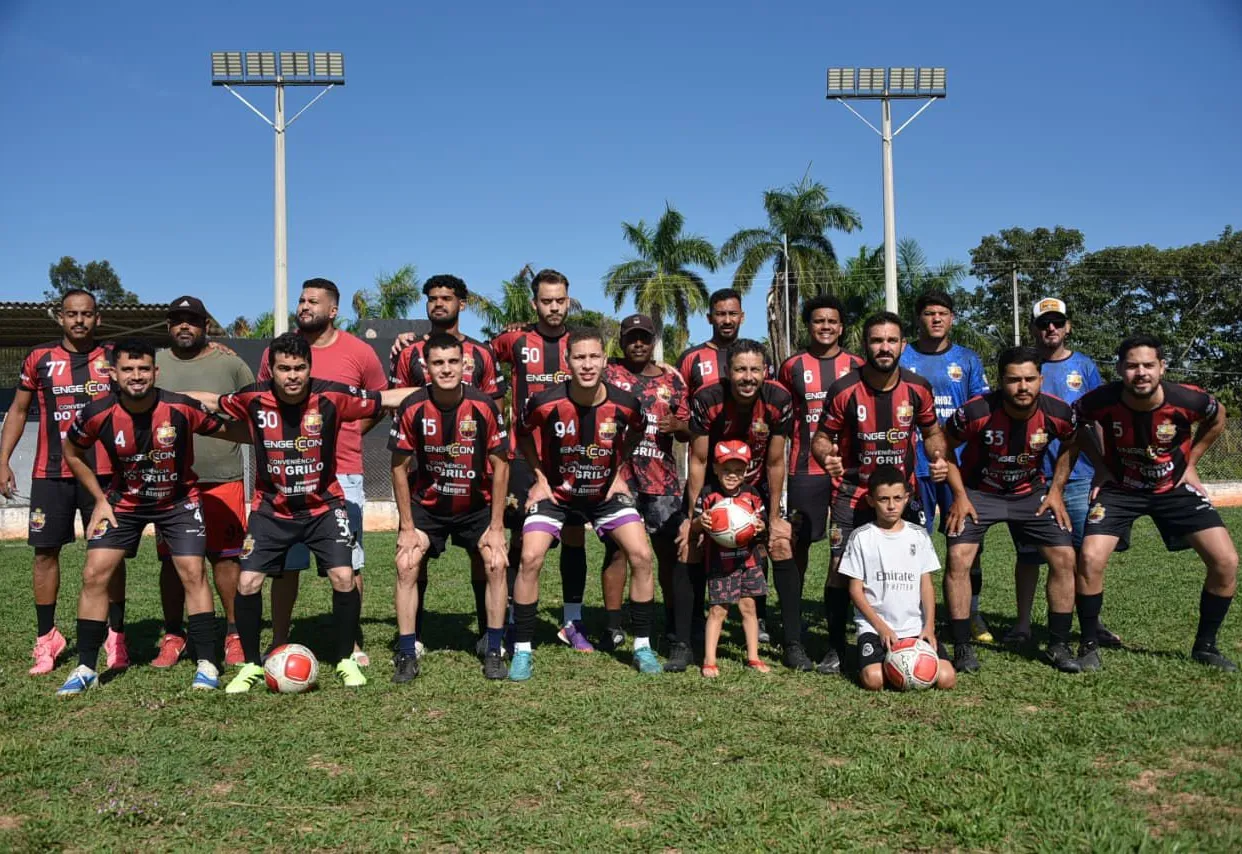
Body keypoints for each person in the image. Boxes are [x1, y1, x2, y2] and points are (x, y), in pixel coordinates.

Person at [199, 334, 413, 693]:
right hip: (271, 512)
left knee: (344, 576)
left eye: (300, 368)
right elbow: (208, 400)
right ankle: (252, 665)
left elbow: (386, 397)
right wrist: (158, 397)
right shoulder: (253, 398)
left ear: (310, 368)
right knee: (248, 582)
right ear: (273, 371)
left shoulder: (331, 395)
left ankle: (345, 658)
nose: (293, 376)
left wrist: (443, 390)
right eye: (284, 368)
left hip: (324, 508)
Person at [1046, 334, 1238, 672]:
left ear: (1162, 367)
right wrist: (1102, 466)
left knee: (1226, 561)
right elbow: (1076, 428)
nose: (1141, 373)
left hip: (1173, 488)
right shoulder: (1100, 400)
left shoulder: (1186, 399)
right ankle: (1089, 643)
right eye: (1132, 366)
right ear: (1120, 369)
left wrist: (1191, 463)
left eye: (1149, 365)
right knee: (1089, 557)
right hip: (1121, 489)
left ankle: (1205, 646)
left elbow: (1218, 415)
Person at [56, 339, 234, 695]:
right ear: (114, 373)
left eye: (143, 369)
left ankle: (207, 662)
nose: (136, 376)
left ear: (156, 371)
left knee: (193, 573)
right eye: (128, 369)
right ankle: (86, 666)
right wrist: (99, 500)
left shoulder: (181, 408)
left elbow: (234, 430)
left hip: (178, 502)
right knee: (94, 573)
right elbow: (72, 452)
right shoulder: (96, 412)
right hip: (123, 504)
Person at [511, 328, 657, 680]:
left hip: (602, 496)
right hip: (558, 497)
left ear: (604, 360)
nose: (587, 365)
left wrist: (619, 470)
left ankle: (642, 646)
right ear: (568, 361)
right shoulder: (545, 402)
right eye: (580, 357)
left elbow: (637, 431)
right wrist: (539, 478)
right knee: (530, 556)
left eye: (594, 357)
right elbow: (522, 432)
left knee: (641, 555)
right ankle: (522, 650)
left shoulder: (625, 403)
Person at [258, 278, 388, 664]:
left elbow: (378, 401)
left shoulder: (359, 353)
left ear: (333, 310)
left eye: (313, 301)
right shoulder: (278, 351)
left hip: (343, 473)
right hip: (285, 476)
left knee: (349, 564)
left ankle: (351, 643)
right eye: (301, 299)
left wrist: (348, 432)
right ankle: (280, 641)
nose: (304, 306)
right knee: (285, 566)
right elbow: (263, 401)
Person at [0, 289, 129, 676]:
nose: (79, 321)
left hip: (103, 473)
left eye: (86, 314)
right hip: (50, 474)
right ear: (60, 317)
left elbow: (140, 396)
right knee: (44, 554)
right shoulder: (39, 359)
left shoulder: (112, 357)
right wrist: (2, 460)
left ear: (98, 318)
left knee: (109, 555)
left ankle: (116, 635)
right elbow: (20, 410)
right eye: (71, 314)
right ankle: (47, 638)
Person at [812, 311, 948, 675]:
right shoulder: (844, 390)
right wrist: (828, 458)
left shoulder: (917, 388)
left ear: (902, 344)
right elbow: (822, 437)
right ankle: (837, 647)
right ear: (865, 345)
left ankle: (922, 636)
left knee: (912, 568)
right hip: (852, 493)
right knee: (840, 569)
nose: (884, 348)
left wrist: (937, 457)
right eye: (876, 341)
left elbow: (933, 430)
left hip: (901, 497)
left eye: (891, 340)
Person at [940, 346, 1081, 674]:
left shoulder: (1059, 412)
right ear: (1001, 381)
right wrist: (960, 495)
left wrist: (1056, 490)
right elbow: (942, 447)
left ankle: (1058, 645)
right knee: (959, 558)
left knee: (1065, 558)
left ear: (1041, 379)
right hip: (979, 493)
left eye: (1030, 379)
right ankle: (962, 647)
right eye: (1013, 380)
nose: (1023, 387)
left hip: (1030, 494)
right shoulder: (975, 412)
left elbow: (1073, 444)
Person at [389, 274, 504, 656]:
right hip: (429, 482)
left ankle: (490, 637)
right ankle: (412, 640)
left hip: (476, 483)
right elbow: (399, 405)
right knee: (411, 560)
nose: (439, 304)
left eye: (447, 298)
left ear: (462, 303)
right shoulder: (408, 352)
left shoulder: (482, 353)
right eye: (432, 298)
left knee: (485, 556)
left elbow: (495, 412)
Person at [672, 339, 797, 672]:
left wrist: (773, 519)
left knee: (781, 544)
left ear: (765, 372)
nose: (748, 377)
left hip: (754, 486)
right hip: (716, 482)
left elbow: (774, 463)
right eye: (740, 369)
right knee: (690, 546)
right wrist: (693, 517)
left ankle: (793, 643)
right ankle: (683, 642)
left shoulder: (779, 399)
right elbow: (697, 459)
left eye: (755, 369)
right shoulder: (708, 398)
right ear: (728, 371)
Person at [1006, 297, 1121, 648]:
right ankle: (1022, 625)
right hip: (1030, 479)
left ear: (1068, 326)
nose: (1051, 329)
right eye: (1044, 324)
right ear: (1033, 329)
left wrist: (1104, 467)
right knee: (1029, 556)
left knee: (1084, 555)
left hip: (1079, 477)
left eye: (1057, 322)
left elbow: (1099, 421)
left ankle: (1092, 622)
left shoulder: (1084, 367)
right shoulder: (1023, 366)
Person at [490, 269, 593, 651]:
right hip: (522, 454)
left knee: (574, 534)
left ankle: (572, 621)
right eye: (546, 300)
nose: (554, 307)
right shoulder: (514, 340)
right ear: (534, 303)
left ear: (568, 300)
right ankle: (518, 617)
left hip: (571, 457)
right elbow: (472, 355)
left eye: (560, 300)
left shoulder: (581, 342)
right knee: (522, 537)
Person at [152, 296, 255, 669]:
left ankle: (233, 634)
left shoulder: (230, 363)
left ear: (205, 326)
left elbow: (254, 406)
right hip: (170, 484)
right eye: (177, 320)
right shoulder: (156, 364)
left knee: (226, 560)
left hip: (222, 478)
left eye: (192, 320)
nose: (185, 326)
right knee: (172, 563)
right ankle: (174, 634)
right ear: (168, 326)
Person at [898, 291, 992, 642]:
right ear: (918, 318)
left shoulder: (967, 360)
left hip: (958, 468)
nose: (936, 319)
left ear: (952, 318)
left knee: (967, 545)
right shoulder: (902, 357)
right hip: (914, 467)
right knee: (914, 546)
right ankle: (916, 616)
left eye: (942, 313)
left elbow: (981, 414)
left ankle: (972, 613)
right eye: (928, 313)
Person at [600, 314, 691, 650]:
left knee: (667, 555)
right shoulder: (607, 372)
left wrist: (678, 427)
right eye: (631, 337)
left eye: (645, 337)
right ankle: (613, 626)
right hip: (619, 478)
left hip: (661, 480)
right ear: (621, 341)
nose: (638, 343)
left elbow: (690, 428)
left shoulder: (673, 382)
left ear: (654, 341)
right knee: (617, 551)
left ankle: (670, 622)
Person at [778, 294, 863, 638]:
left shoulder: (858, 365)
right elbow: (779, 415)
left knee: (847, 544)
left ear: (841, 327)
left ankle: (846, 615)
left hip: (849, 471)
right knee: (799, 542)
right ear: (809, 326)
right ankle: (791, 613)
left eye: (832, 321)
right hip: (804, 469)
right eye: (818, 320)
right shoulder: (792, 366)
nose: (825, 326)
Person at [839, 465, 956, 692]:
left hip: (914, 628)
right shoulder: (861, 537)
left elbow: (926, 585)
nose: (891, 506)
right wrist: (881, 628)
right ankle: (872, 660)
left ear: (906, 498)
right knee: (874, 680)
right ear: (871, 501)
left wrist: (929, 626)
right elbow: (855, 590)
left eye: (897, 498)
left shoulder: (918, 535)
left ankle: (899, 663)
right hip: (876, 629)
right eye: (883, 499)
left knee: (947, 678)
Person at [692, 441, 771, 677]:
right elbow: (695, 526)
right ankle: (709, 660)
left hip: (749, 561)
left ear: (746, 471)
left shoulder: (753, 495)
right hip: (720, 562)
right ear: (716, 468)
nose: (732, 476)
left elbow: (763, 522)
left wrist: (759, 525)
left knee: (749, 607)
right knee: (718, 609)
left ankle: (753, 657)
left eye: (738, 471)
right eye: (726, 470)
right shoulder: (708, 494)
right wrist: (701, 522)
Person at [676, 288, 748, 396]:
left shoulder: (759, 356)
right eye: (720, 314)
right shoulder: (690, 358)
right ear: (709, 318)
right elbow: (679, 404)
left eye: (733, 314)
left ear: (742, 317)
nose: (727, 321)